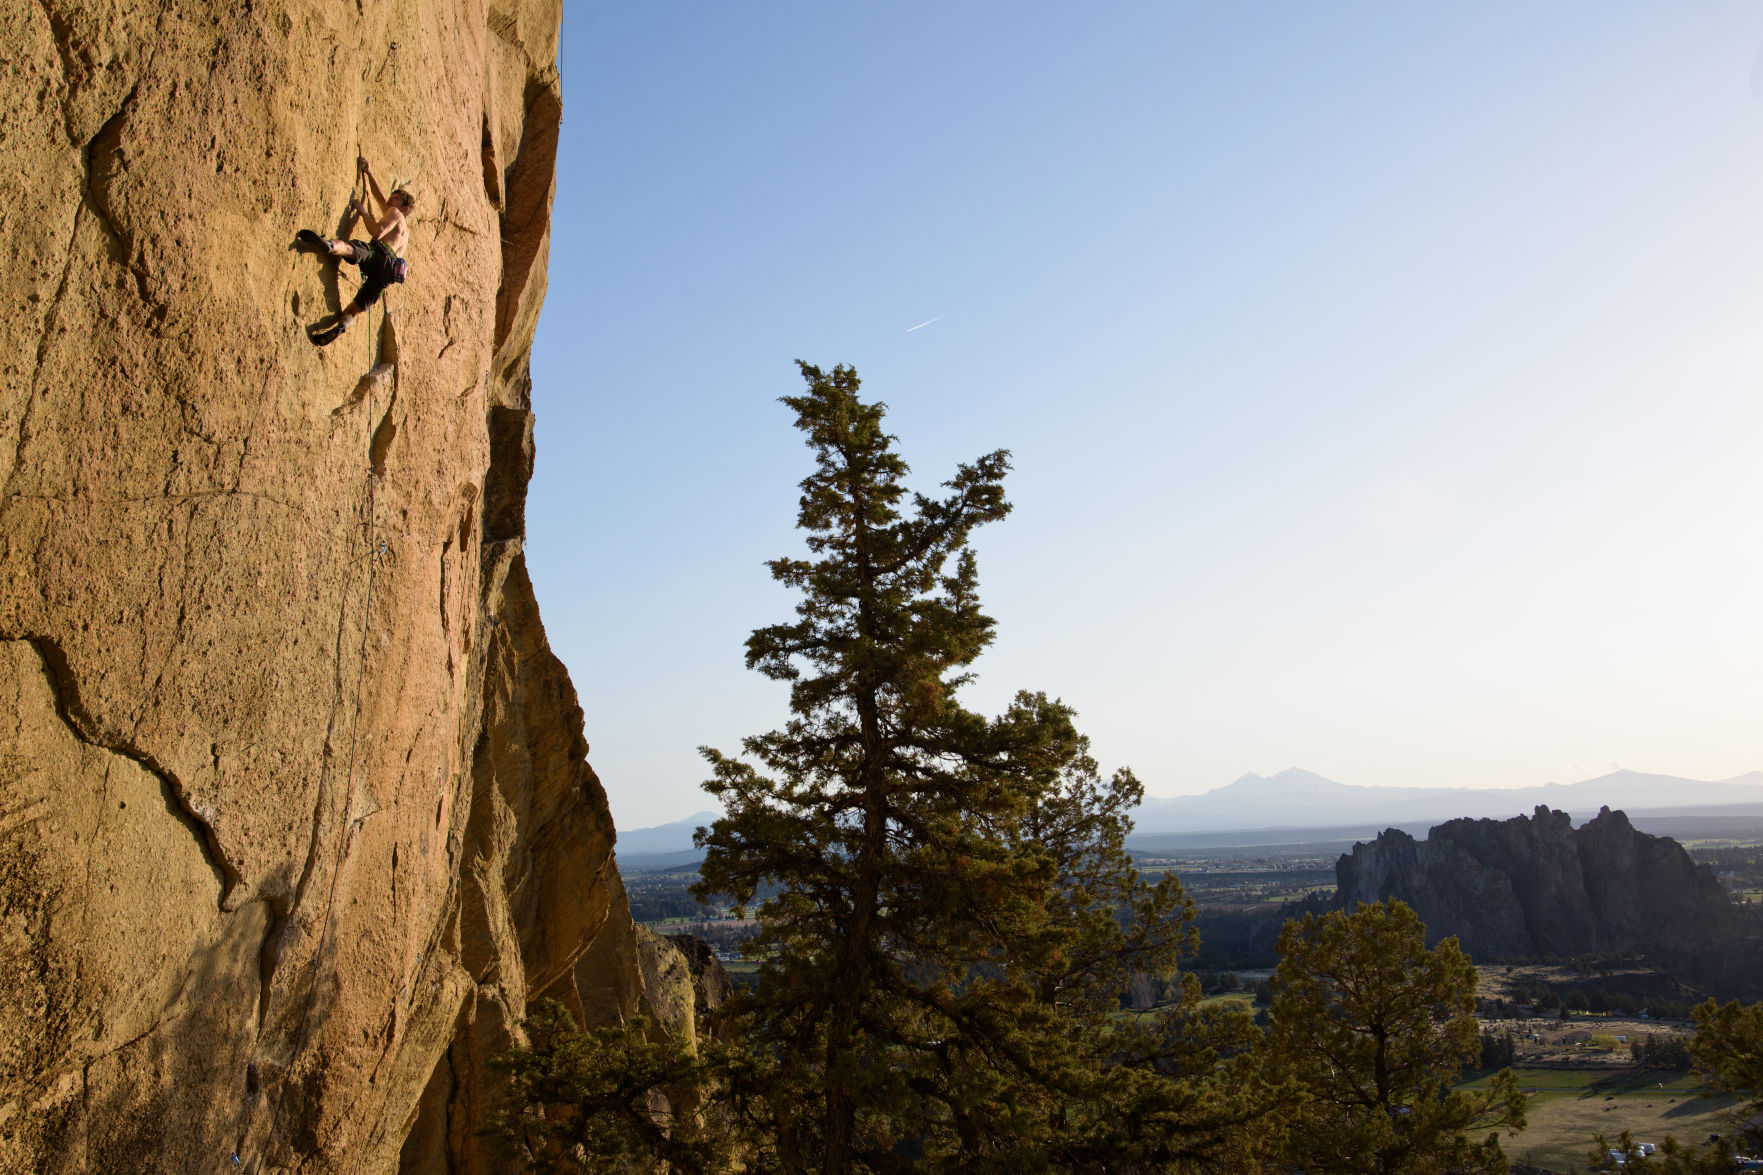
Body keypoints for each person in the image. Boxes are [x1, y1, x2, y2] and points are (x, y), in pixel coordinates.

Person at [298, 157, 412, 346]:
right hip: (386, 277)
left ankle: (329, 246)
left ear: (404, 208)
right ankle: (342, 326)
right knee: (353, 310)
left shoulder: (396, 213)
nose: (391, 200)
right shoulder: (405, 234)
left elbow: (377, 232)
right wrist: (369, 173)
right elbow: (380, 198)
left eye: (396, 198)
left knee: (351, 248)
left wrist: (361, 211)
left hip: (381, 253)